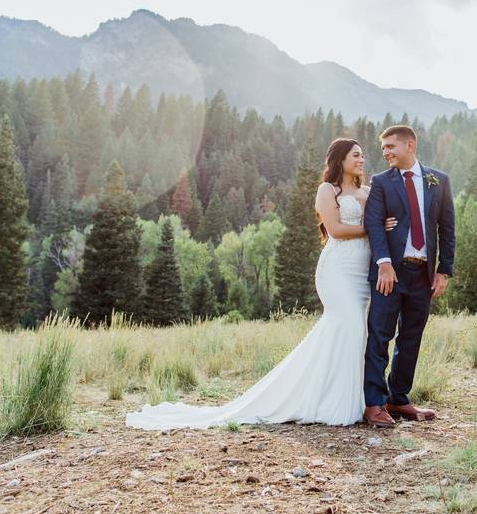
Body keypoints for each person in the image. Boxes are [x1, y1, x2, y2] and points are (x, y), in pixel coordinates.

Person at [125, 138, 395, 429]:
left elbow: (387, 218)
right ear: (340, 159)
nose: (361, 159)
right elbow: (337, 230)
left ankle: (346, 398)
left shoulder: (367, 191)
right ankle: (328, 402)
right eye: (355, 155)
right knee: (350, 324)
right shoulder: (327, 190)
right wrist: (373, 226)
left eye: (362, 156)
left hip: (361, 272)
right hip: (338, 270)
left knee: (356, 334)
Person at [362, 125, 455, 428]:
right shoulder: (380, 183)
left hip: (423, 274)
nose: (385, 152)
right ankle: (374, 403)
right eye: (384, 148)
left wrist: (444, 270)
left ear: (410, 145)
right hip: (389, 274)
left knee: (411, 337)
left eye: (391, 146)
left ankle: (398, 399)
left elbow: (447, 229)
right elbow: (374, 225)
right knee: (380, 335)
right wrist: (384, 264)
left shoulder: (438, 181)